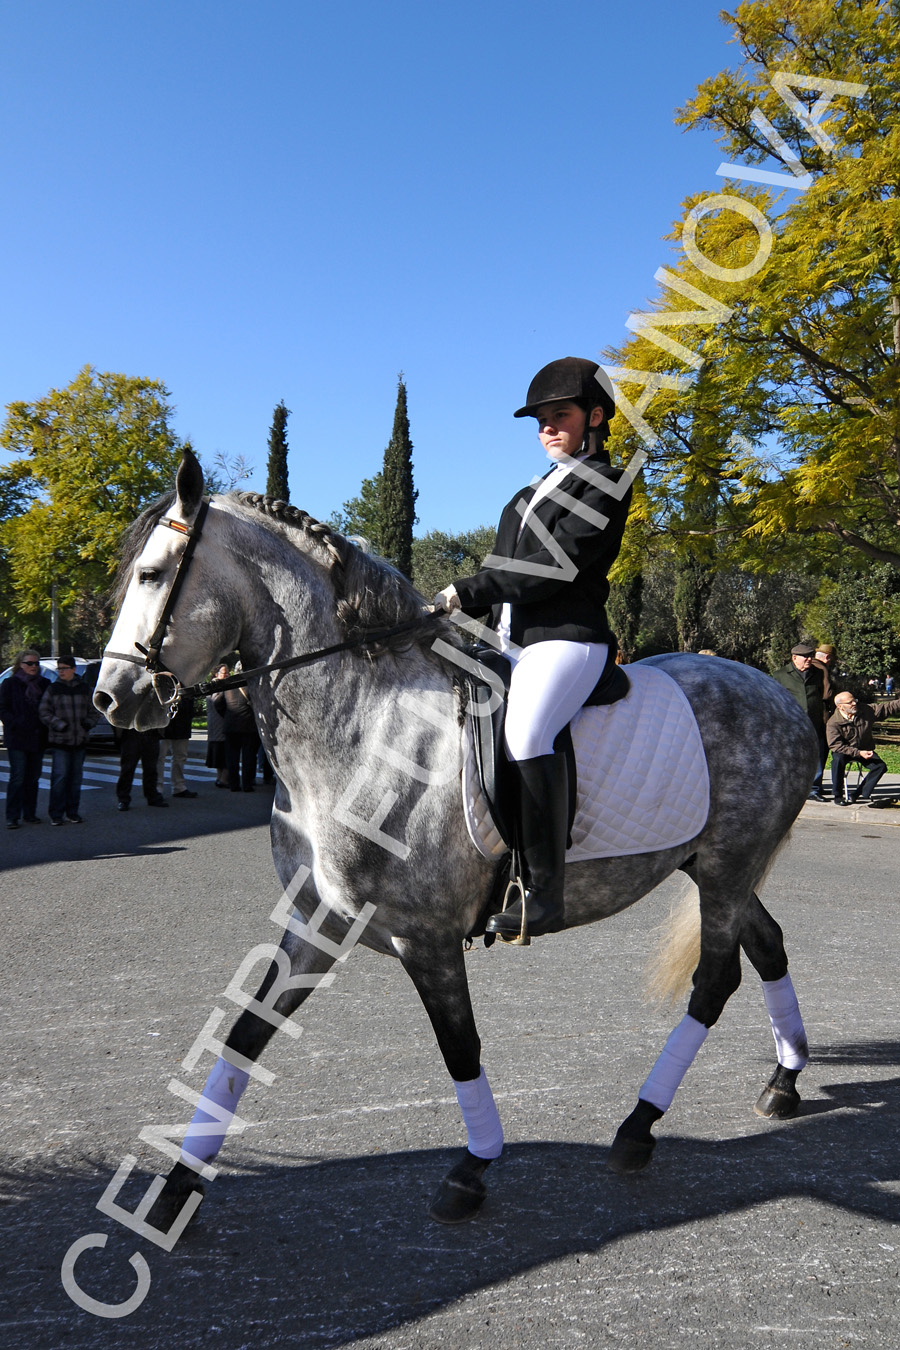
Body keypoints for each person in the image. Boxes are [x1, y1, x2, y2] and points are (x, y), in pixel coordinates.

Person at [432, 356, 631, 939]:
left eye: (560, 415)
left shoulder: (603, 485)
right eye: (540, 418)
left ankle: (546, 894)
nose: (547, 426)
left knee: (526, 733)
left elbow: (551, 569)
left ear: (595, 417)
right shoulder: (524, 496)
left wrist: (464, 589)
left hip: (569, 640)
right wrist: (456, 616)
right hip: (511, 642)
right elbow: (502, 574)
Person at [38, 655, 100, 824]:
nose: (61, 671)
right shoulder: (53, 689)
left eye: (64, 668)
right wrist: (58, 725)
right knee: (60, 778)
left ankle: (72, 812)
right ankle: (56, 814)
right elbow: (44, 712)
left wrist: (88, 724)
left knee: (75, 779)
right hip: (60, 741)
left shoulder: (84, 688)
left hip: (79, 740)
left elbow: (95, 710)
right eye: (59, 668)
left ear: (73, 669)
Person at [0, 650, 50, 828]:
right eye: (30, 663)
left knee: (33, 778)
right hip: (17, 738)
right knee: (18, 777)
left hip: (38, 738)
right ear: (20, 664)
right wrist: (14, 723)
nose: (34, 666)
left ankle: (30, 814)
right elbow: (2, 708)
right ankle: (12, 816)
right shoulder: (10, 683)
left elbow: (49, 708)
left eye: (36, 663)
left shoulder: (45, 683)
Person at [772, 642, 827, 800]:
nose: (809, 659)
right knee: (790, 755)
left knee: (815, 755)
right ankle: (789, 788)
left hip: (814, 721)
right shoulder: (780, 675)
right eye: (805, 657)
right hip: (791, 723)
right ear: (794, 658)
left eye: (811, 656)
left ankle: (814, 789)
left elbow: (821, 694)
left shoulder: (818, 673)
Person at [827, 690, 900, 806]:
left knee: (880, 766)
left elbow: (887, 708)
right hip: (844, 751)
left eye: (854, 700)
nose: (854, 704)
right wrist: (858, 753)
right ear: (840, 706)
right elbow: (835, 746)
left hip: (864, 748)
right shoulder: (833, 723)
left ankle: (857, 794)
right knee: (837, 761)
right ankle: (837, 795)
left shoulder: (865, 710)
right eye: (849, 702)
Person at [213, 682, 260, 792]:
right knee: (249, 757)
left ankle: (234, 784)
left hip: (230, 727)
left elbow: (217, 703)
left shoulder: (228, 686)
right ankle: (247, 784)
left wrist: (227, 715)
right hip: (248, 726)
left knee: (232, 758)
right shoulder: (251, 686)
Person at [116, 728, 169, 811]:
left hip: (151, 731)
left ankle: (152, 796)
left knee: (151, 768)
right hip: (131, 731)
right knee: (128, 768)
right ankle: (123, 799)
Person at [161, 694, 198, 798]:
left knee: (180, 756)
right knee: (160, 757)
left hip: (182, 720)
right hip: (163, 722)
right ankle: (157, 788)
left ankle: (179, 787)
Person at [205, 664, 231, 787]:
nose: (226, 675)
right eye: (223, 673)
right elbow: (218, 703)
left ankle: (219, 777)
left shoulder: (212, 685)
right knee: (224, 753)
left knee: (218, 753)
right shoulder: (219, 687)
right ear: (216, 674)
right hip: (220, 723)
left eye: (227, 673)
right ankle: (223, 779)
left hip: (214, 724)